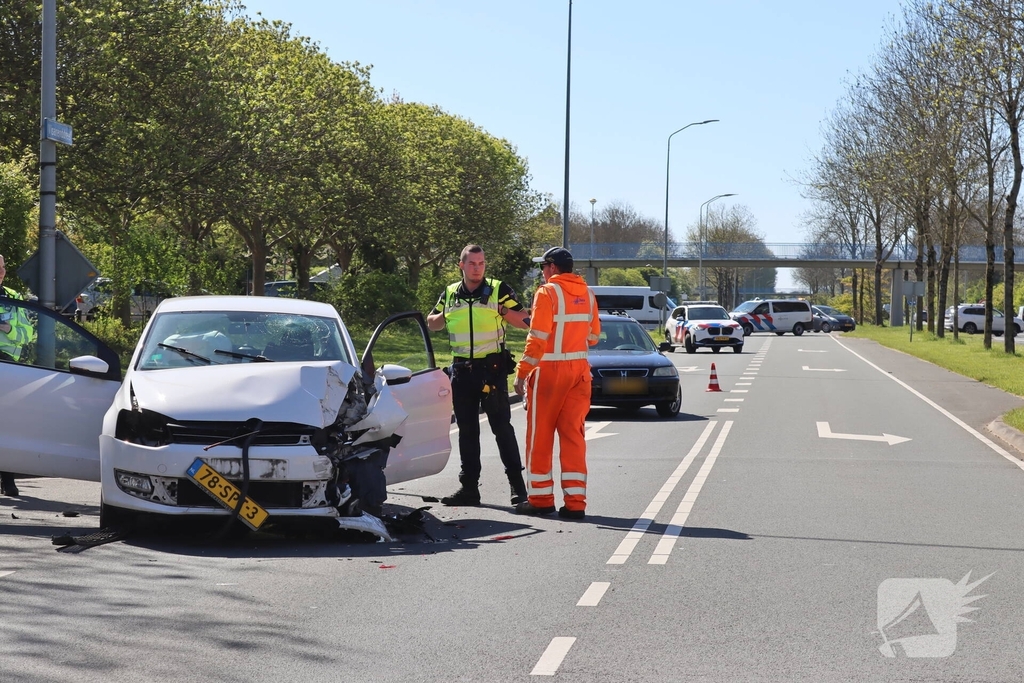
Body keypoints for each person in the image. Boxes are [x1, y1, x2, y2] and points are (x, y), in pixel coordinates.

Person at [427, 244, 531, 507]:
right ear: (461, 265)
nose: (477, 268)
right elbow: (432, 322)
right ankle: (469, 489)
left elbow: (525, 320)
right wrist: (443, 315)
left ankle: (518, 488)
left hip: (491, 372)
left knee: (502, 429)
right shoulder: (450, 292)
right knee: (467, 432)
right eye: (472, 263)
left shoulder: (498, 289)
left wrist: (503, 311)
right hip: (462, 372)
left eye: (481, 263)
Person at [514, 247, 600, 519]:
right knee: (574, 437)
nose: (542, 272)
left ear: (552, 267)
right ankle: (575, 503)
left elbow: (537, 338)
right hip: (580, 373)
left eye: (543, 267)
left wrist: (522, 372)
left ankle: (540, 499)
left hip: (549, 373)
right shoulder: (588, 294)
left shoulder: (547, 293)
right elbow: (594, 337)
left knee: (539, 437)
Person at [0, 253, 34, 497]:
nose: (0, 272)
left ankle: (7, 479)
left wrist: (8, 328)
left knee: (6, 426)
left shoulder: (13, 297)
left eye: (2, 267)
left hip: (8, 366)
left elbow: (29, 334)